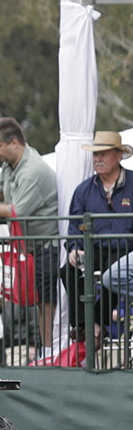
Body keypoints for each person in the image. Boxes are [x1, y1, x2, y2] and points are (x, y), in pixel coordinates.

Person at [0, 117, 58, 353]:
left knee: (46, 302)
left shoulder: (32, 170)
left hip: (48, 246)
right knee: (35, 299)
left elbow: (16, 212)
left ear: (14, 142)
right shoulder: (11, 163)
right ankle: (44, 350)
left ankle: (49, 352)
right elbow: (3, 193)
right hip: (30, 247)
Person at [62, 131, 133, 342]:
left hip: (126, 248)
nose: (98, 159)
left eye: (103, 154)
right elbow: (74, 226)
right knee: (67, 271)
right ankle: (86, 325)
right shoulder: (84, 190)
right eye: (95, 155)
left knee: (113, 273)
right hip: (94, 248)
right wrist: (74, 249)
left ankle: (94, 325)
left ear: (118, 156)